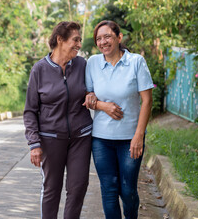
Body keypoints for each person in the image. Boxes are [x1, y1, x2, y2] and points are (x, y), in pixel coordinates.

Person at [84, 20, 154, 219]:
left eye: (107, 36)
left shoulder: (136, 62)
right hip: (101, 139)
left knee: (128, 190)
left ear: (119, 37)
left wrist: (139, 136)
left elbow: (147, 101)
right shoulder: (93, 63)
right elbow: (88, 96)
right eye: (99, 38)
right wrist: (101, 105)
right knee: (109, 189)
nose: (103, 42)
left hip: (130, 138)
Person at [23, 21, 93, 219]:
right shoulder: (39, 70)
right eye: (75, 40)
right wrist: (34, 143)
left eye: (79, 40)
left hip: (81, 137)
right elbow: (30, 111)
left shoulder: (82, 65)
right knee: (52, 189)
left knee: (78, 187)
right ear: (60, 40)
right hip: (50, 138)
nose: (79, 44)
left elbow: (93, 88)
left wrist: (93, 94)